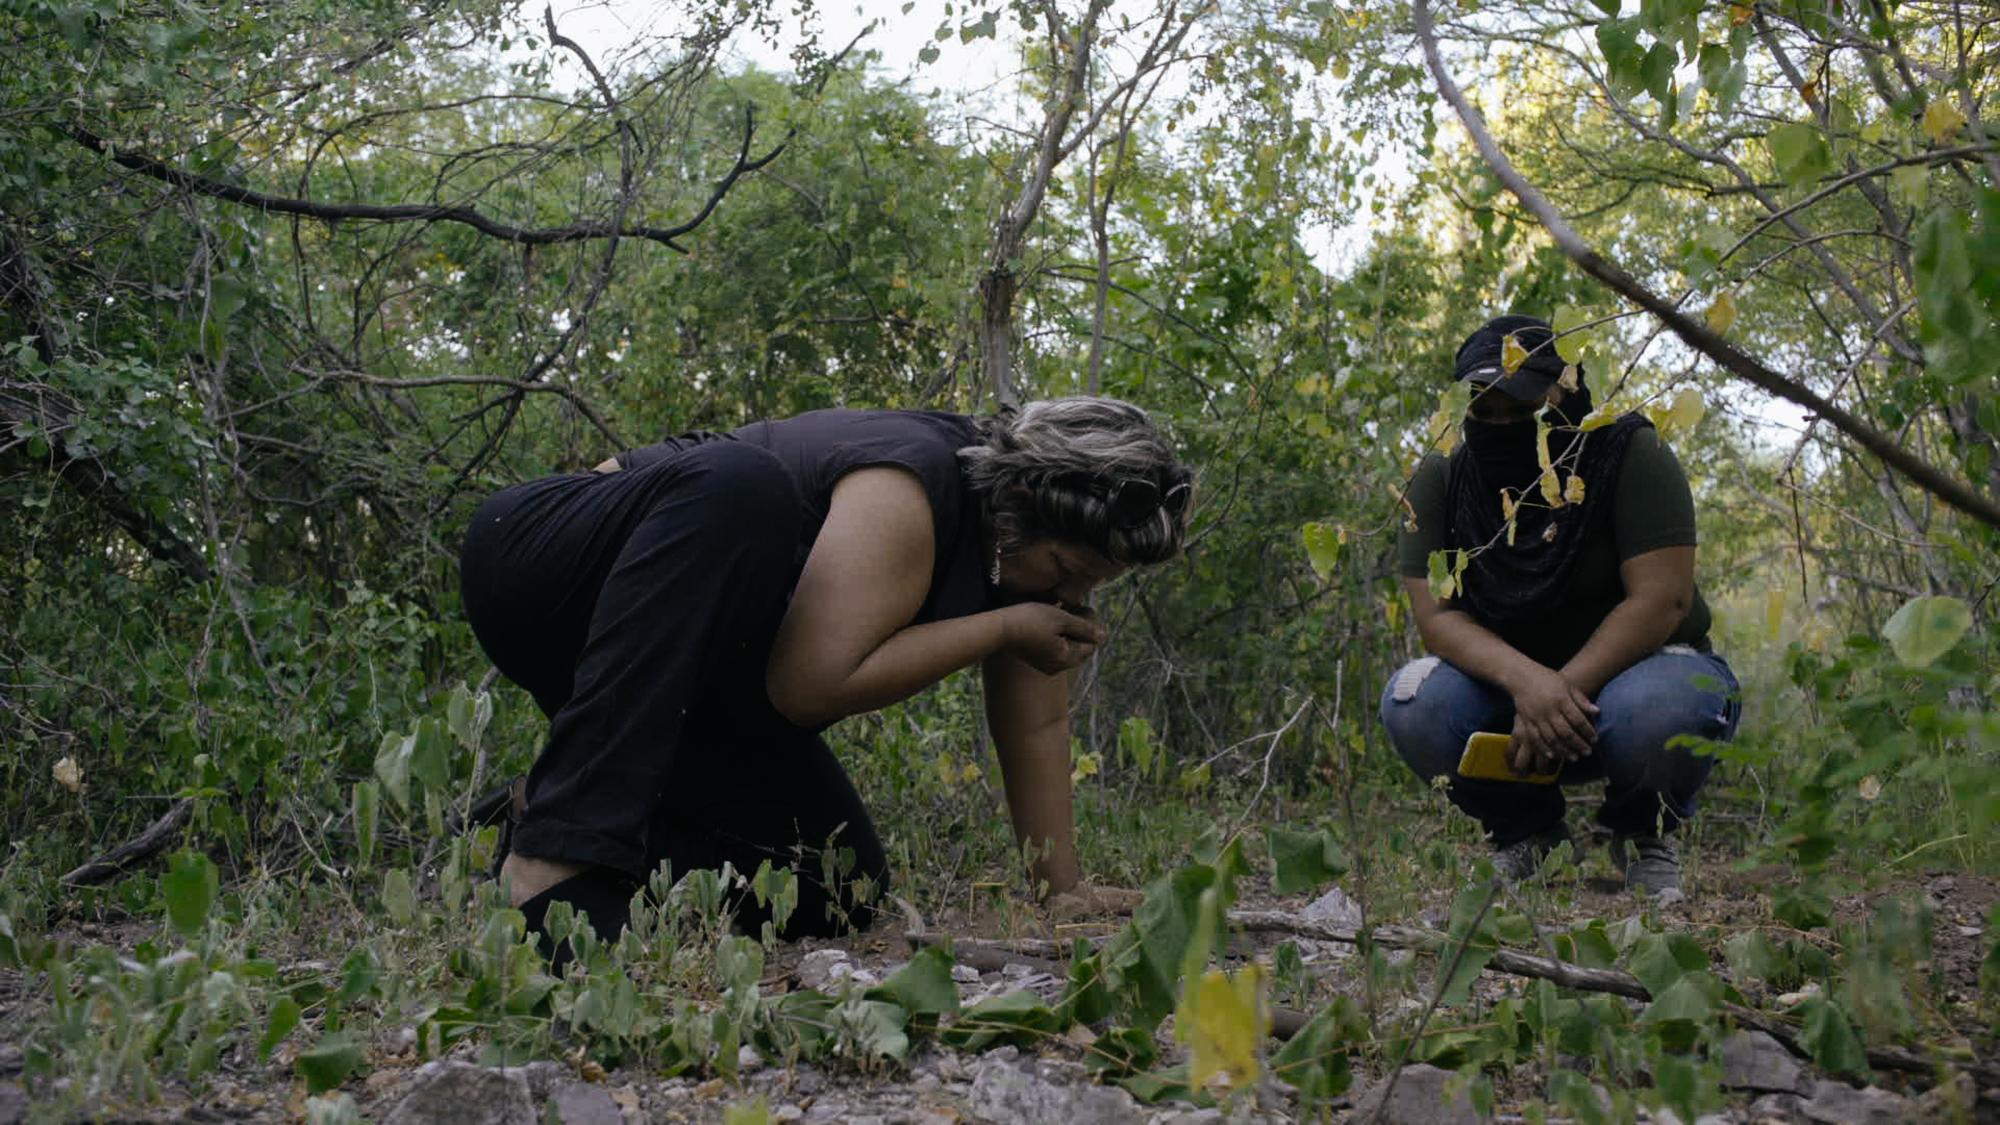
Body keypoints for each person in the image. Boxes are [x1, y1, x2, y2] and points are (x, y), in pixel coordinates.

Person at [458, 397, 1193, 957]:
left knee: (839, 885)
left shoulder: (1022, 566)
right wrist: (1002, 628)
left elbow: (1038, 721)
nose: (1072, 598)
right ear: (1022, 511)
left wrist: (1060, 892)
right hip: (547, 572)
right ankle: (552, 860)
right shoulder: (911, 485)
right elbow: (805, 685)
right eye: (1068, 572)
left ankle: (541, 805)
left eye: (1092, 584)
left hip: (689, 674)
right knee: (744, 486)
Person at [1378, 314, 1740, 900]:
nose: (1501, 425)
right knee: (1412, 700)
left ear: (1565, 398)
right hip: (1508, 702)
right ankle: (1530, 834)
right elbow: (1437, 618)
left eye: (1522, 410)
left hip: (1630, 685)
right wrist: (1528, 684)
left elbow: (1663, 598)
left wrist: (1561, 688)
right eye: (1484, 411)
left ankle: (1643, 835)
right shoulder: (1441, 477)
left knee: (1665, 704)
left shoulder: (1628, 452)